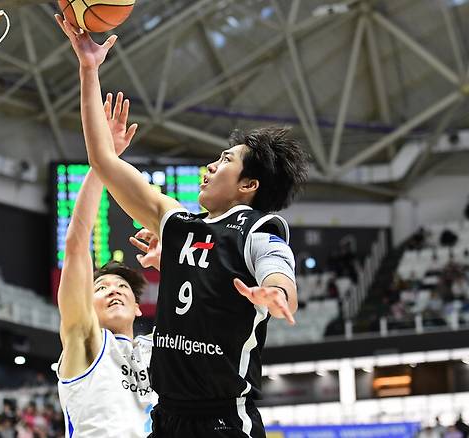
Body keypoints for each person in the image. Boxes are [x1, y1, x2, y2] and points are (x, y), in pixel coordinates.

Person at [56, 16, 307, 438]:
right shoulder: (176, 223)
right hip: (168, 419)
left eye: (225, 160)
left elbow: (277, 269)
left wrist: (276, 292)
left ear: (248, 185)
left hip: (223, 420)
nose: (211, 165)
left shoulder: (259, 229)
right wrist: (88, 69)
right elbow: (102, 160)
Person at [54, 83, 160, 437]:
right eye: (101, 287)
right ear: (87, 303)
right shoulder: (86, 340)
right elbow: (76, 243)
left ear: (138, 307)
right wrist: (103, 162)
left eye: (122, 287)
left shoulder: (157, 350)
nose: (113, 290)